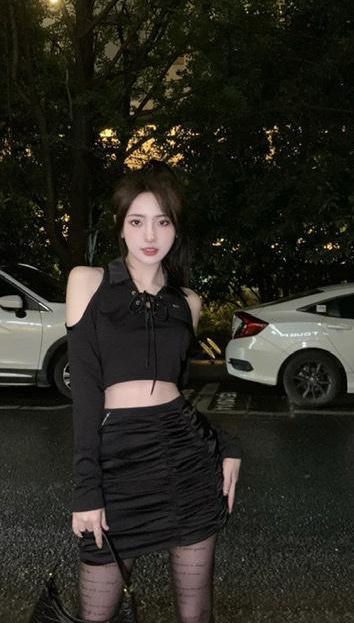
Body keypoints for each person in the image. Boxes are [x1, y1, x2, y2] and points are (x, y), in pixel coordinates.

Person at [65, 161, 242, 623]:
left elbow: (174, 393)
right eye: (137, 221)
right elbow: (86, 394)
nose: (150, 234)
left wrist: (225, 443)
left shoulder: (188, 302)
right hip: (116, 464)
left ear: (176, 229)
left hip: (185, 463)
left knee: (195, 612)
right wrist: (87, 491)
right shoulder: (88, 282)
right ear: (120, 226)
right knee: (97, 614)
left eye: (162, 222)